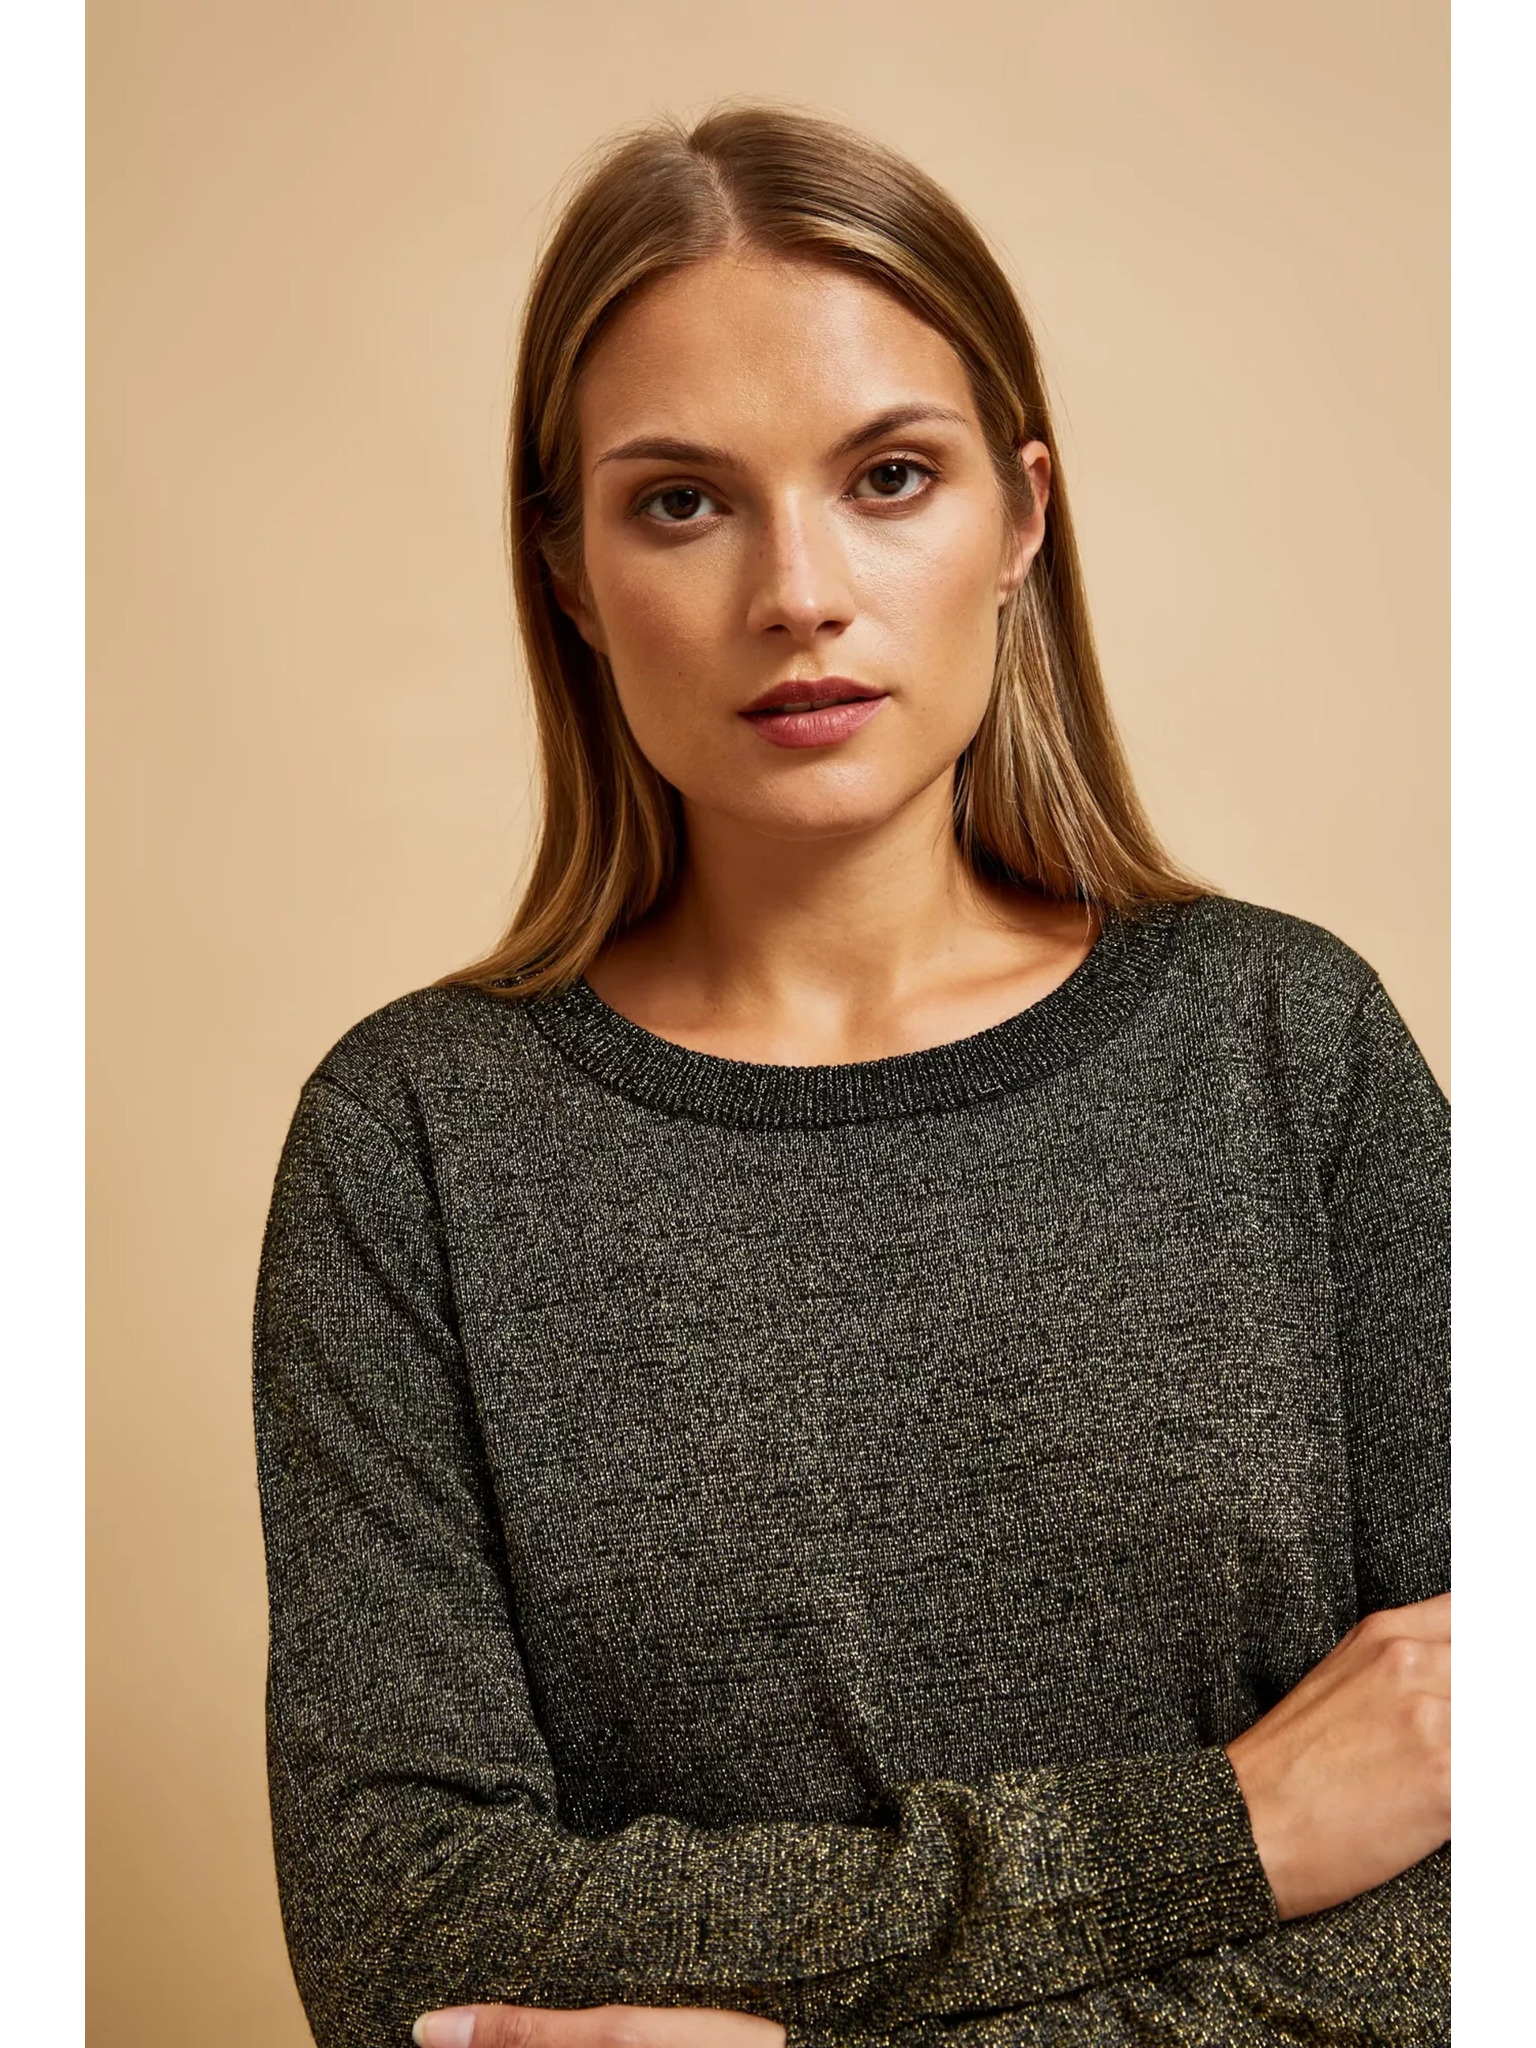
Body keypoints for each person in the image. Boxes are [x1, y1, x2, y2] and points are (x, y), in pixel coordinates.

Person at [252, 105, 1449, 2048]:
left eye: (889, 476)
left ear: (1023, 518)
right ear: (569, 572)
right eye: (681, 502)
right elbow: (408, 1934)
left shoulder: (1285, 1047)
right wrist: (1230, 1829)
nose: (797, 590)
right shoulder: (413, 1146)